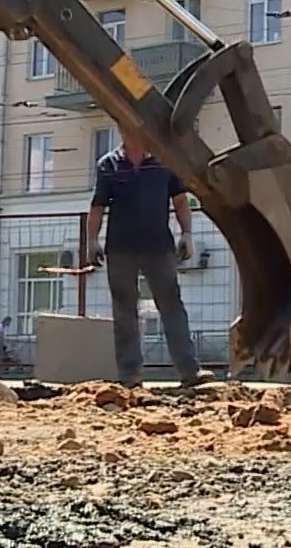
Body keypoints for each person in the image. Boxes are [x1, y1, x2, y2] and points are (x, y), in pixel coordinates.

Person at [88, 129, 214, 388]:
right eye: (124, 126)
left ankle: (189, 372)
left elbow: (180, 201)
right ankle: (130, 377)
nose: (130, 131)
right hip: (120, 249)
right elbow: (98, 205)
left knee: (171, 306)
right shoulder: (108, 165)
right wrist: (91, 240)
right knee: (124, 312)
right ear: (120, 130)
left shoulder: (165, 162)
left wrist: (187, 234)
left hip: (159, 247)